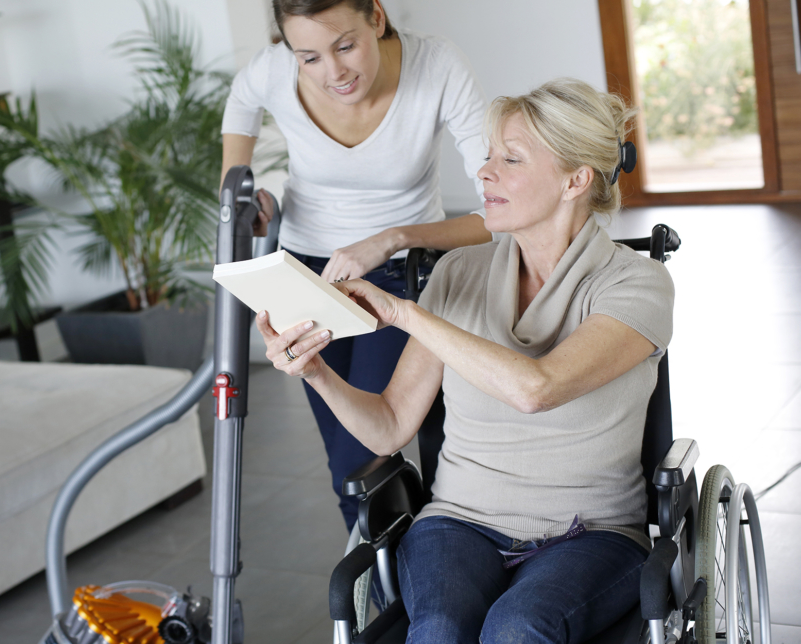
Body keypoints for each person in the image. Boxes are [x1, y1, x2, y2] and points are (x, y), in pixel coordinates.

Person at [256, 78, 675, 643]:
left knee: (518, 627)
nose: (484, 172)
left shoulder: (637, 283)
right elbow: (389, 427)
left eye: (510, 158)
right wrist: (315, 372)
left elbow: (537, 389)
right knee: (439, 628)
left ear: (576, 179)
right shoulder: (458, 274)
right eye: (487, 156)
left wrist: (406, 314)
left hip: (592, 533)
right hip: (458, 523)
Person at [221, 0, 492, 532]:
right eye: (310, 58)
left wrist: (392, 237)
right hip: (304, 273)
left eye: (345, 45)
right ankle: (376, 605)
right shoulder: (274, 68)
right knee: (347, 471)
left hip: (398, 276)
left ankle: (432, 573)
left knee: (372, 452)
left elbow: (499, 214)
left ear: (377, 16)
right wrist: (242, 195)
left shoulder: (436, 67)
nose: (334, 73)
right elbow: (240, 102)